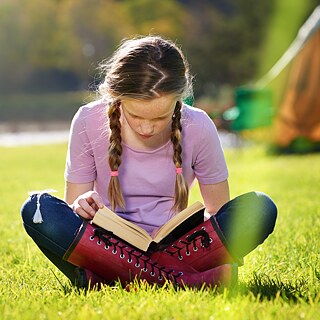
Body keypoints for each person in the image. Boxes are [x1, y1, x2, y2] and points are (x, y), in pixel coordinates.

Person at [21, 35, 277, 289]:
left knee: (260, 208)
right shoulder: (88, 120)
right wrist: (80, 205)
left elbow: (217, 213)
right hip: (105, 245)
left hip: (180, 248)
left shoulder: (198, 125)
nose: (146, 128)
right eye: (135, 115)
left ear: (179, 99)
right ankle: (185, 280)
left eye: (159, 118)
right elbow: (73, 207)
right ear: (117, 95)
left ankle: (110, 278)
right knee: (38, 209)